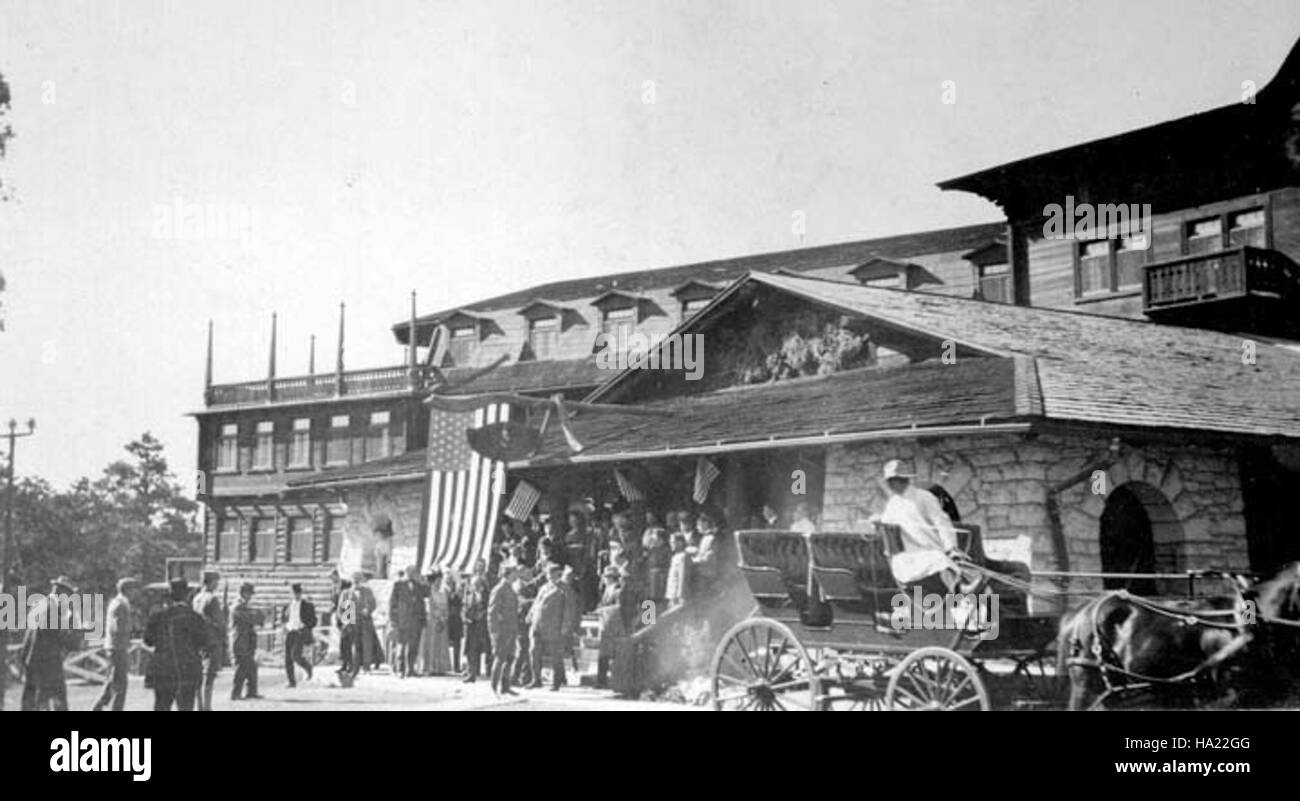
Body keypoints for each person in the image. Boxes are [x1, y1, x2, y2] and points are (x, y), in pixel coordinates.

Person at [873, 459, 971, 594]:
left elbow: (942, 523)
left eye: (893, 480)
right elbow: (886, 528)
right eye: (888, 481)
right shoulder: (892, 504)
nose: (890, 485)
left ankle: (959, 589)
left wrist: (951, 548)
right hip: (906, 556)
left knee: (939, 559)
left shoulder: (924, 497)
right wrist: (878, 523)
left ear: (903, 479)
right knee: (903, 566)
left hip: (930, 550)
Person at [144, 578, 210, 711]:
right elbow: (204, 642)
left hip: (163, 670)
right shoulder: (195, 618)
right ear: (187, 595)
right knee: (186, 706)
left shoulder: (158, 617)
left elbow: (148, 640)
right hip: (188, 668)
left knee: (161, 706)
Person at [20, 576, 82, 711]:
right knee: (55, 701)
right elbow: (63, 638)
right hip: (48, 663)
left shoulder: (40, 603)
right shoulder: (54, 609)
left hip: (31, 660)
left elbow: (30, 635)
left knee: (31, 700)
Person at [92, 577, 137, 711]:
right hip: (117, 647)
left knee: (114, 679)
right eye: (134, 589)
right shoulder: (120, 604)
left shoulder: (119, 603)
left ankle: (98, 706)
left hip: (116, 646)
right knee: (121, 684)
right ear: (128, 589)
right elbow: (117, 627)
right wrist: (131, 628)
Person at [527, 563, 569, 691]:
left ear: (558, 574)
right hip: (537, 624)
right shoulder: (544, 587)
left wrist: (565, 627)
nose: (549, 576)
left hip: (554, 626)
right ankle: (536, 679)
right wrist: (530, 614)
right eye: (547, 573)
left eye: (552, 573)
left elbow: (568, 609)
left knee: (556, 655)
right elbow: (537, 603)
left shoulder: (564, 589)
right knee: (533, 651)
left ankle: (556, 682)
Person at [191, 570, 226, 711]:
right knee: (209, 675)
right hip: (212, 640)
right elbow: (220, 622)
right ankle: (207, 707)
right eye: (216, 581)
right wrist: (223, 635)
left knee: (199, 675)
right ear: (211, 582)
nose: (217, 584)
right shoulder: (212, 599)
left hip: (198, 640)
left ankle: (200, 706)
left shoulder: (196, 598)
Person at [229, 582, 265, 700]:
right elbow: (251, 618)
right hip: (240, 640)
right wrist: (258, 616)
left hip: (247, 640)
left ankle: (252, 692)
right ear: (243, 593)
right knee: (241, 667)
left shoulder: (244, 605)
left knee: (252, 667)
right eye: (248, 593)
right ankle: (236, 693)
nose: (250, 596)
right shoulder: (238, 606)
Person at [388, 565, 427, 678]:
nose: (415, 575)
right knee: (402, 645)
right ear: (408, 573)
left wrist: (423, 620)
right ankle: (401, 669)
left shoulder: (419, 586)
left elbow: (422, 602)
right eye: (413, 572)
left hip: (416, 620)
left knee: (414, 645)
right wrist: (393, 619)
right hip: (403, 620)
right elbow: (393, 604)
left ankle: (411, 668)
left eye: (416, 573)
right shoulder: (398, 585)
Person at [488, 563, 519, 696]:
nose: (516, 575)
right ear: (508, 574)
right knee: (499, 658)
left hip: (511, 629)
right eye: (514, 572)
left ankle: (505, 686)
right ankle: (494, 687)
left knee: (510, 658)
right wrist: (494, 632)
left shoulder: (510, 589)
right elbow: (492, 612)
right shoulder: (499, 589)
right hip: (502, 630)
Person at [594, 564, 625, 689]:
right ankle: (601, 681)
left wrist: (603, 610)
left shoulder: (617, 589)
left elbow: (619, 607)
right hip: (605, 625)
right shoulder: (607, 589)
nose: (605, 579)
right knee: (603, 655)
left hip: (614, 626)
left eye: (608, 577)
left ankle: (610, 681)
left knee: (611, 654)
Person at [282, 583, 317, 687]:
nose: (296, 595)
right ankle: (291, 681)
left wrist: (306, 627)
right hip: (290, 631)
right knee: (288, 658)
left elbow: (313, 620)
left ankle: (308, 667)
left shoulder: (307, 605)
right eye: (294, 593)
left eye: (298, 593)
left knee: (295, 655)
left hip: (300, 632)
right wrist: (284, 627)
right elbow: (284, 618)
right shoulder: (287, 606)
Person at [421, 570, 452, 675]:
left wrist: (444, 617)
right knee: (432, 643)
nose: (439, 583)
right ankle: (431, 667)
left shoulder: (443, 594)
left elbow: (446, 608)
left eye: (440, 580)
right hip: (433, 621)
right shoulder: (430, 594)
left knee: (441, 644)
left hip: (442, 621)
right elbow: (430, 608)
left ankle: (440, 668)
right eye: (437, 581)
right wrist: (437, 617)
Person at [511, 565, 536, 687]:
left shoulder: (530, 585)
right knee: (521, 650)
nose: (530, 574)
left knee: (527, 650)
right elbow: (521, 601)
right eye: (527, 572)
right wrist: (535, 601)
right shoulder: (518, 585)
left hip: (528, 621)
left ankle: (525, 676)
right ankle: (514, 676)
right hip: (520, 621)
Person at [461, 574, 488, 682]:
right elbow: (463, 609)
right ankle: (471, 673)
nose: (475, 586)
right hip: (470, 626)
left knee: (485, 650)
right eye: (473, 584)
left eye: (477, 584)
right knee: (470, 650)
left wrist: (483, 614)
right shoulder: (468, 597)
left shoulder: (487, 596)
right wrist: (465, 618)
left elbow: (489, 609)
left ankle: (489, 671)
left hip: (482, 626)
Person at [665, 532, 690, 608]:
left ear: (680, 543)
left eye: (673, 542)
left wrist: (681, 596)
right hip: (672, 594)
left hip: (677, 596)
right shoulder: (675, 556)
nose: (671, 544)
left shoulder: (683, 557)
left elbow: (683, 578)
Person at [446, 572, 464, 674]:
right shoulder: (444, 592)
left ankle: (456, 665)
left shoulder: (458, 593)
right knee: (445, 643)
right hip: (448, 619)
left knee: (457, 644)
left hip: (456, 619)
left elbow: (461, 602)